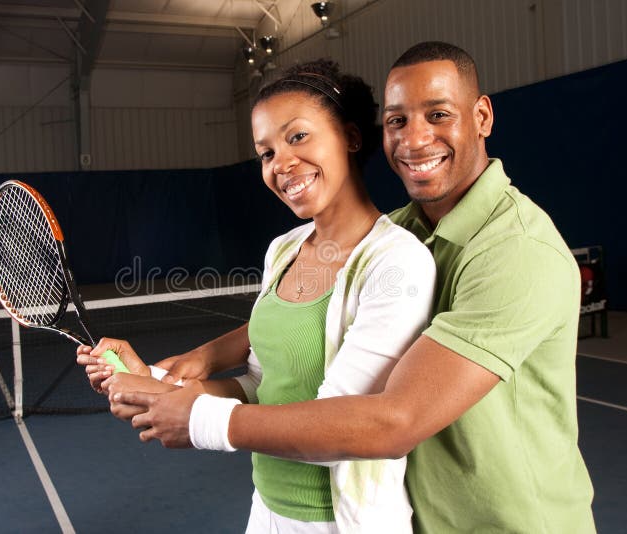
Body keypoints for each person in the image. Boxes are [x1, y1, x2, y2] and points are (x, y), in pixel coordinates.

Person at [109, 42, 597, 533]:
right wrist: (185, 368)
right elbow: (305, 321)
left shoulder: (516, 252)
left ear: (482, 116)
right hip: (430, 516)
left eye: (438, 114)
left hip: (514, 523)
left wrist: (199, 418)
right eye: (397, 121)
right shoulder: (406, 229)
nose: (415, 139)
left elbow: (394, 421)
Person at [77, 59, 436, 532]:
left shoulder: (396, 261)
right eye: (265, 152)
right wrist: (153, 383)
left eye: (298, 137)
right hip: (268, 512)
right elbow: (260, 386)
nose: (281, 163)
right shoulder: (282, 251)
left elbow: (341, 426)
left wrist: (196, 417)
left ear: (350, 137)